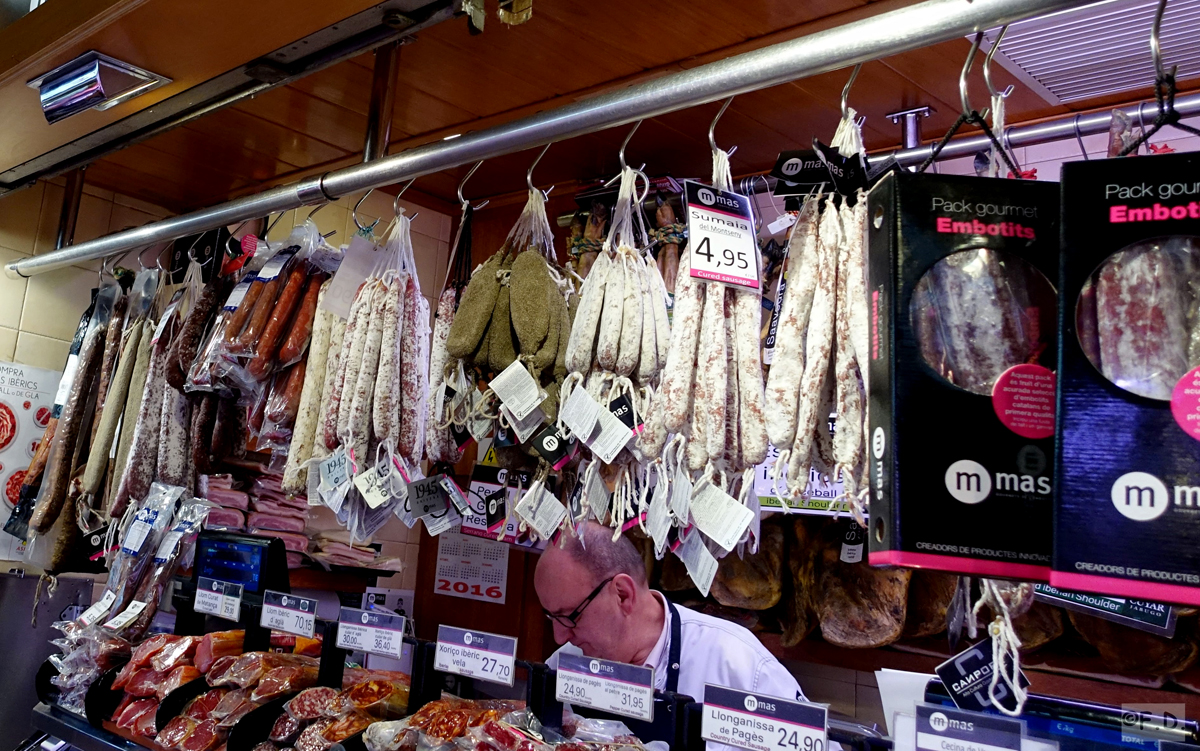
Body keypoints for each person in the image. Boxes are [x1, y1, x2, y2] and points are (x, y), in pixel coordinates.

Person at [534, 520, 805, 705]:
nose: (559, 637)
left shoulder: (739, 665)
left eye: (569, 616)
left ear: (623, 594)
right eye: (551, 618)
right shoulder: (563, 666)